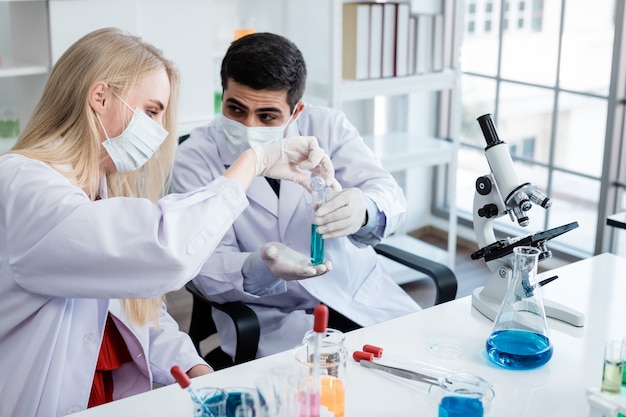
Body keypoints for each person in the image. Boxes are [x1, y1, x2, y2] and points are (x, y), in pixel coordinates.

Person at [0, 28, 335, 417]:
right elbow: (165, 251)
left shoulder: (102, 189)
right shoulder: (23, 183)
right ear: (100, 96)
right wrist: (253, 163)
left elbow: (142, 311)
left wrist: (197, 370)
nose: (157, 132)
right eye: (152, 111)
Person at [171, 32, 422, 359]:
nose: (249, 126)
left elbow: (388, 194)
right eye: (235, 109)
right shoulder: (194, 158)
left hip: (358, 296)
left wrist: (365, 210)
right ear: (223, 94)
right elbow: (202, 268)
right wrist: (261, 265)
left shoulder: (328, 126)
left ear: (297, 110)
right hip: (274, 318)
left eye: (267, 116)